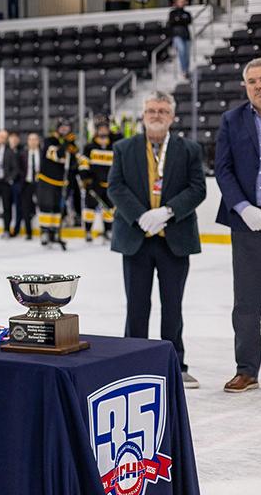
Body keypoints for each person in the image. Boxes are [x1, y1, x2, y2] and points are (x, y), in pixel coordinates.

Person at [108, 92, 204, 388]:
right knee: (136, 305)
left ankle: (175, 364)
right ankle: (131, 362)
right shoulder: (124, 148)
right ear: (143, 114)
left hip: (174, 239)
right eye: (151, 109)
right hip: (136, 238)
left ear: (172, 116)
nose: (156, 115)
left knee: (172, 306)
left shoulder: (189, 149)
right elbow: (115, 187)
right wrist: (140, 216)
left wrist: (168, 211)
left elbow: (198, 188)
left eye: (162, 110)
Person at [214, 57, 261, 394]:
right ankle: (247, 370)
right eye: (252, 81)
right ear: (245, 86)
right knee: (247, 304)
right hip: (245, 224)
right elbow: (222, 169)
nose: (258, 86)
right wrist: (243, 207)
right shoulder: (231, 120)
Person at [38, 118, 77, 248]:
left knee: (56, 208)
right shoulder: (49, 140)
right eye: (62, 127)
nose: (65, 130)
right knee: (46, 206)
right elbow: (57, 155)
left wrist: (72, 151)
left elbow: (73, 162)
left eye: (67, 127)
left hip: (61, 182)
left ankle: (54, 233)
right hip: (47, 180)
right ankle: (44, 232)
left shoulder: (70, 143)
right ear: (57, 128)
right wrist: (67, 143)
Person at [80, 117, 119, 243]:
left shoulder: (114, 146)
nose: (103, 131)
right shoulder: (89, 147)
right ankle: (88, 231)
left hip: (110, 184)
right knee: (89, 208)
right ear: (96, 130)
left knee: (109, 209)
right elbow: (84, 164)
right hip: (94, 183)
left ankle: (108, 231)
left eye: (105, 128)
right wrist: (86, 179)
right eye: (100, 128)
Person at [19, 132, 42, 240]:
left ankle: (44, 231)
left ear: (38, 141)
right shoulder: (22, 154)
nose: (33, 142)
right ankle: (29, 232)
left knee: (42, 207)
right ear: (28, 141)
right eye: (30, 139)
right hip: (26, 184)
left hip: (40, 184)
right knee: (26, 208)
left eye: (35, 139)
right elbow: (19, 169)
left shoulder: (43, 153)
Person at [167, 0, 193, 79]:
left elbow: (188, 21)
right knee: (182, 51)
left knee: (187, 54)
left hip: (186, 35)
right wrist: (180, 20)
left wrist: (179, 20)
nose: (182, 3)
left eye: (183, 1)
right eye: (180, 1)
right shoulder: (172, 13)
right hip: (177, 35)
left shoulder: (187, 13)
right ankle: (184, 70)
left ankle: (186, 70)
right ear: (177, 2)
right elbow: (171, 22)